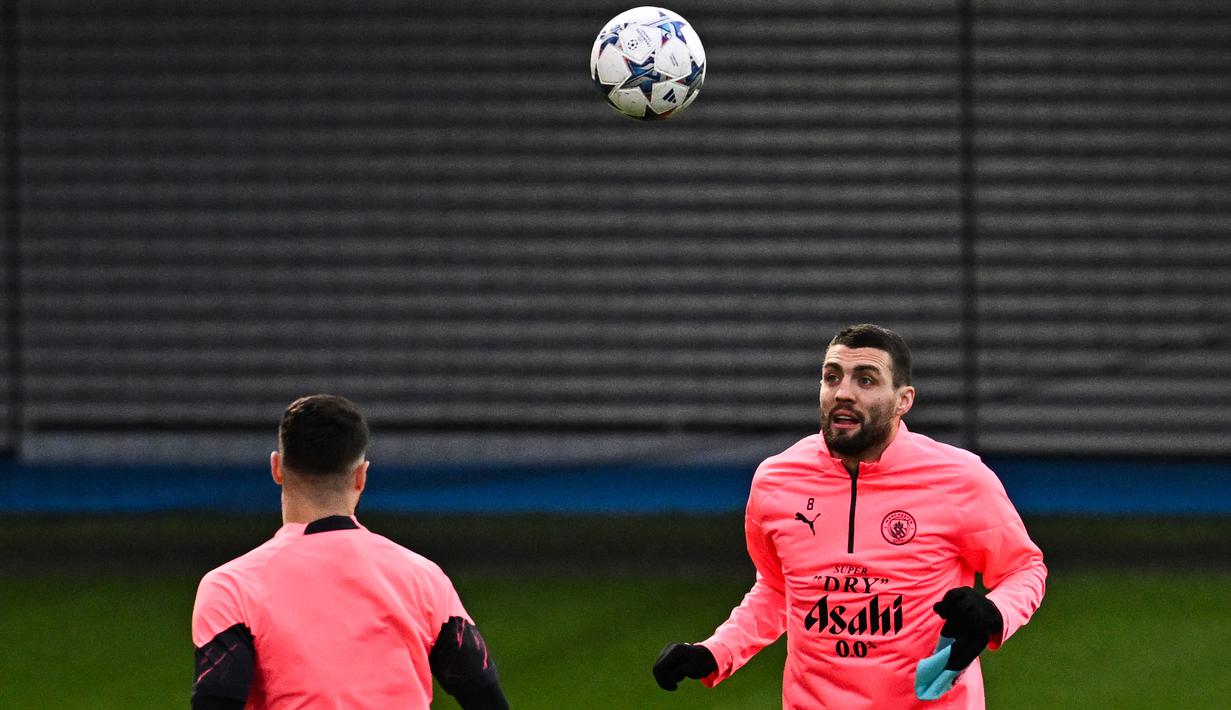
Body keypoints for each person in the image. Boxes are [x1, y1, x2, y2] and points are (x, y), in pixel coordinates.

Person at [652, 324, 1046, 709]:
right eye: (832, 377)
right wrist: (716, 652)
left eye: (866, 380)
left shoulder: (961, 479)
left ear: (903, 399)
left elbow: (1024, 568)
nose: (843, 392)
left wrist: (994, 612)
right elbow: (778, 588)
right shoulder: (776, 480)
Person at [191, 394, 509, 709]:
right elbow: (486, 699)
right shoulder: (424, 579)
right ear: (361, 476)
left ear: (277, 468)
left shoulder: (230, 588)